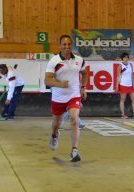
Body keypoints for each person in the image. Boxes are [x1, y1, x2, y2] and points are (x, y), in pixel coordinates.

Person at [45, 34, 88, 162]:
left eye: (69, 44)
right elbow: (47, 80)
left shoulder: (79, 60)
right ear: (60, 46)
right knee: (56, 124)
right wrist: (60, 84)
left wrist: (83, 87)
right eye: (64, 44)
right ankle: (54, 135)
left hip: (73, 95)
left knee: (74, 120)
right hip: (58, 97)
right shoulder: (54, 61)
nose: (67, 46)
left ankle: (74, 151)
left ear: (71, 45)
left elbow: (85, 73)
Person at [115, 52, 134, 119]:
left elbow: (132, 75)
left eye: (127, 57)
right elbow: (118, 77)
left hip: (130, 85)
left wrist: (133, 84)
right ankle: (123, 114)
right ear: (122, 58)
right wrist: (116, 86)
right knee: (122, 100)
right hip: (123, 84)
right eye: (124, 57)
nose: (126, 58)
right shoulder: (120, 66)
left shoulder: (130, 65)